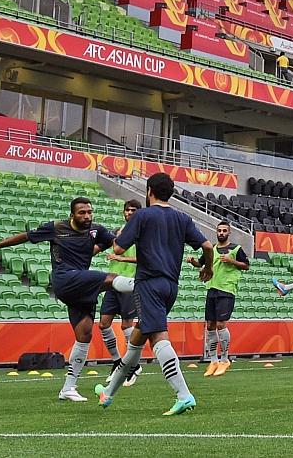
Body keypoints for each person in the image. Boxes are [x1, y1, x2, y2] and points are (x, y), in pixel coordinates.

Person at [0, 196, 136, 402]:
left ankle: (68, 387)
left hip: (81, 287)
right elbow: (24, 237)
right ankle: (145, 287)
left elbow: (115, 244)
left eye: (89, 212)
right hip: (65, 279)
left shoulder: (96, 230)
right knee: (111, 279)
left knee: (84, 335)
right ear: (72, 214)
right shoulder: (56, 227)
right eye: (82, 212)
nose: (87, 216)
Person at [95, 173, 214, 415]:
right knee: (135, 343)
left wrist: (119, 231)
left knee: (158, 338)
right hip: (171, 286)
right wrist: (208, 267)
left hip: (148, 284)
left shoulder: (142, 215)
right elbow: (208, 246)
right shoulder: (183, 218)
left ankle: (184, 394)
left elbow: (118, 247)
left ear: (149, 191)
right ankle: (109, 394)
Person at [192, 221, 248, 377]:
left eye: (224, 230)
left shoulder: (236, 249)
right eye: (219, 230)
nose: (221, 232)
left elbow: (246, 265)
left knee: (221, 324)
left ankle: (224, 359)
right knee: (210, 325)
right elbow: (200, 263)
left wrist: (232, 261)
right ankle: (213, 361)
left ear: (229, 233)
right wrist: (193, 262)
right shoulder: (212, 249)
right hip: (212, 288)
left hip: (227, 289)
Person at [98, 199, 144, 387]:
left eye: (133, 210)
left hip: (130, 283)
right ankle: (118, 362)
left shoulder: (142, 233)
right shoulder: (118, 231)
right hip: (112, 282)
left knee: (127, 325)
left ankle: (133, 365)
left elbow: (144, 257)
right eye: (127, 210)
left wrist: (119, 257)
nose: (129, 213)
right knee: (103, 324)